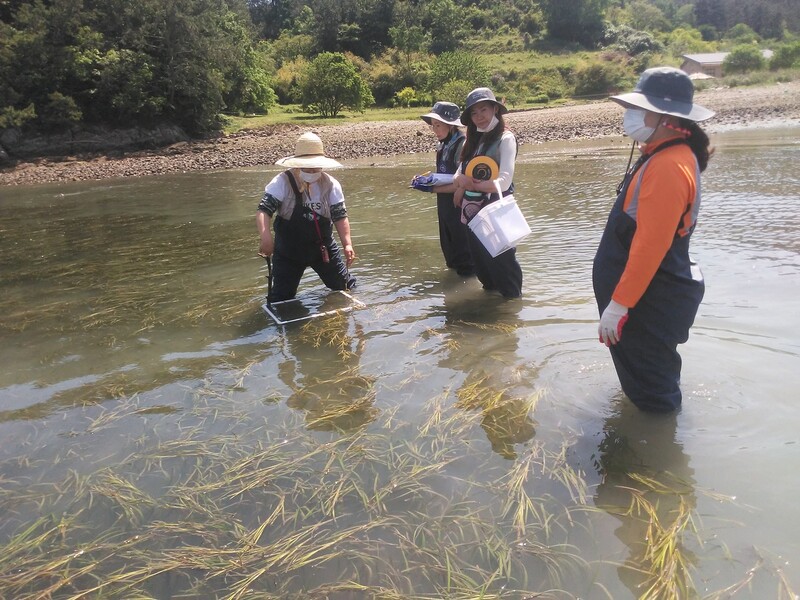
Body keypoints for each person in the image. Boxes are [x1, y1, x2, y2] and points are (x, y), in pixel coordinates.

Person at [593, 67, 715, 412]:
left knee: (655, 400)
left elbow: (651, 244)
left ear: (664, 117)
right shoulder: (661, 154)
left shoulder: (669, 165)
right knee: (651, 385)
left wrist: (619, 305)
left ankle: (657, 459)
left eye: (637, 108)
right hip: (647, 302)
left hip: (648, 304)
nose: (629, 116)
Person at [256, 131, 356, 302]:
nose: (311, 170)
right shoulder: (281, 182)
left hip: (322, 249)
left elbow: (339, 216)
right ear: (297, 165)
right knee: (280, 300)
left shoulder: (331, 184)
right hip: (288, 252)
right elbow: (263, 211)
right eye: (307, 167)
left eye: (315, 167)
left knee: (346, 287)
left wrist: (347, 244)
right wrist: (266, 239)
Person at [453, 87, 523, 298]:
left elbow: (503, 181)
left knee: (504, 263)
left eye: (483, 109)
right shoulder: (472, 140)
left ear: (495, 109)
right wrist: (460, 182)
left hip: (497, 210)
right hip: (472, 212)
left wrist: (469, 185)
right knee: (482, 264)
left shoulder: (506, 138)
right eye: (474, 113)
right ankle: (493, 307)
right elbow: (458, 173)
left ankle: (512, 311)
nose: (479, 117)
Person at [411, 102, 474, 277]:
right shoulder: (443, 145)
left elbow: (461, 183)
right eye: (433, 126)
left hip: (458, 207)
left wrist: (431, 189)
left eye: (438, 125)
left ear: (451, 124)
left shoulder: (462, 145)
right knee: (450, 254)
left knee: (464, 258)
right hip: (444, 208)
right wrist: (425, 181)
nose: (435, 130)